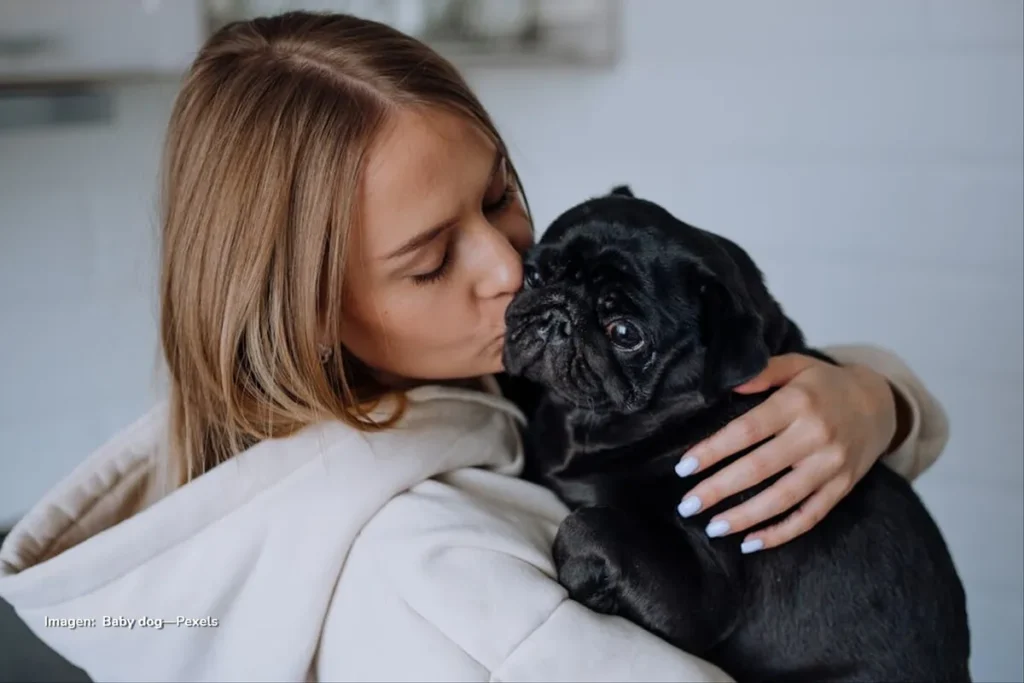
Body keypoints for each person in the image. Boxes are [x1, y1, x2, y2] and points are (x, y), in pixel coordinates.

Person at [0, 12, 949, 682]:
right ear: (303, 313)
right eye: (429, 259)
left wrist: (868, 396)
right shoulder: (434, 573)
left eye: (498, 195)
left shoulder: (468, 378)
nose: (509, 264)